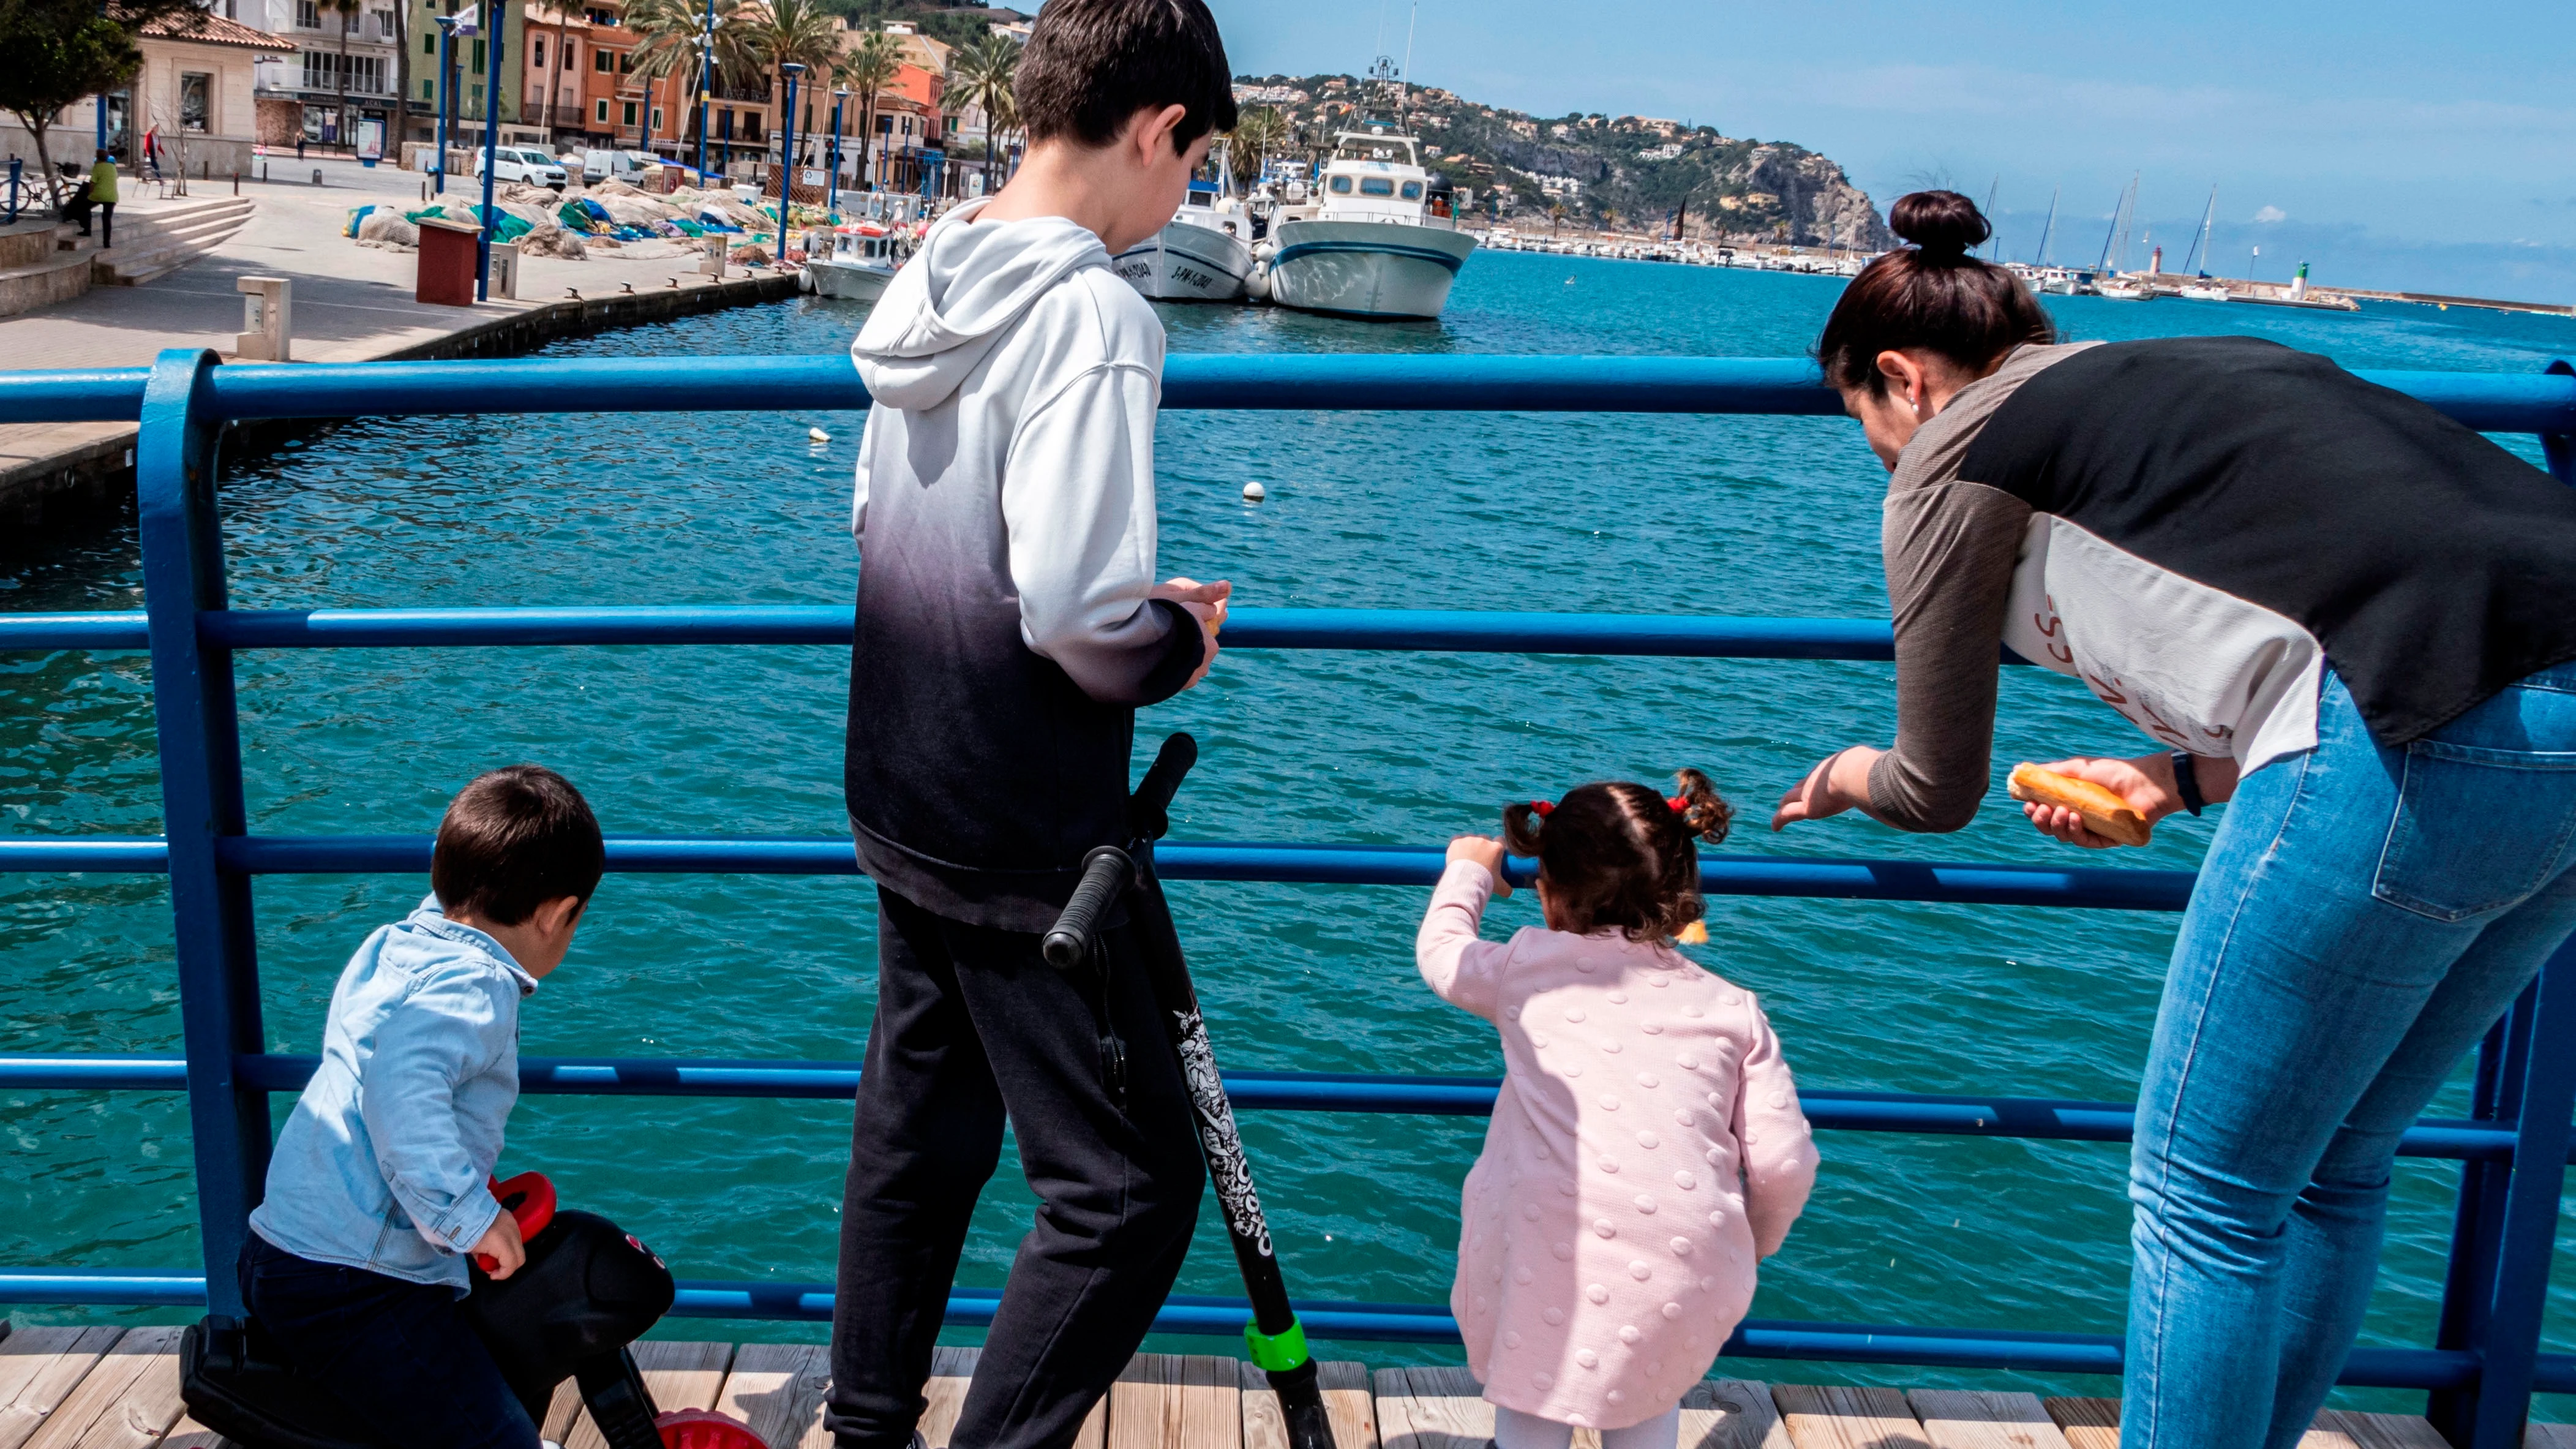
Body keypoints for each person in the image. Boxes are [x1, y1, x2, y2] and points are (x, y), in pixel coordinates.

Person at [1770, 190, 2576, 1449]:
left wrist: (1847, 769)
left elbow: (1936, 787)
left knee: (2203, 1198)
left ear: (1900, 378)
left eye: (1862, 422)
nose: (1877, 452)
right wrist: (2175, 778)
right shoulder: (2184, 369)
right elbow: (2317, 584)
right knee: (2333, 1168)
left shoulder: (1953, 453)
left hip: (2416, 719)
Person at [825, 3, 1236, 1448]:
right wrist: (1176, 634)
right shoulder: (1094, 313)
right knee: (1127, 1190)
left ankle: (865, 1426)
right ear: (1155, 130)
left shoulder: (937, 270)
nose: (1187, 200)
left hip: (900, 777)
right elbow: (1071, 609)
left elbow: (876, 514)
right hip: (1022, 818)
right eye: (1196, 166)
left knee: (920, 1134)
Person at [1424, 774, 1815, 1449]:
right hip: (1685, 1262)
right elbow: (1784, 1162)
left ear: (1547, 891)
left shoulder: (1526, 966)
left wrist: (1468, 872)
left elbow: (1441, 954)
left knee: (1533, 1390)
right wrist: (1755, 1239)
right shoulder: (1731, 1008)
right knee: (1647, 1391)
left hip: (1543, 1255)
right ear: (1678, 891)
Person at [239, 765, 605, 1449]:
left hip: (294, 1252)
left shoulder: (401, 944)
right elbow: (400, 1094)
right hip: (353, 1285)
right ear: (559, 914)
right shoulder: (477, 985)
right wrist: (470, 1216)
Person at [85, 149, 117, 247]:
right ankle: (107, 243)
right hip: (112, 196)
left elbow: (92, 183)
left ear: (97, 158)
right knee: (107, 219)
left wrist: (90, 194)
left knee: (85, 207)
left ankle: (87, 230)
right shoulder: (112, 167)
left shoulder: (97, 167)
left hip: (99, 195)